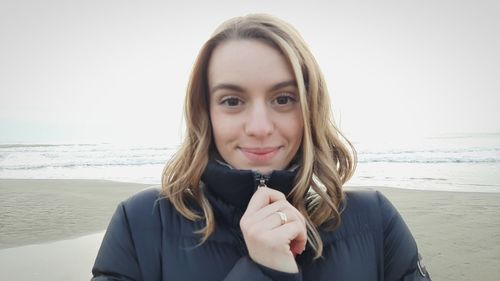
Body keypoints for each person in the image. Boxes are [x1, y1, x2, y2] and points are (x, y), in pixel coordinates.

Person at [92, 14, 431, 281]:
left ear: (310, 107)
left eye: (283, 99)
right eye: (232, 101)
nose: (259, 128)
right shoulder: (140, 223)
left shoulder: (375, 220)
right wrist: (263, 272)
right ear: (205, 113)